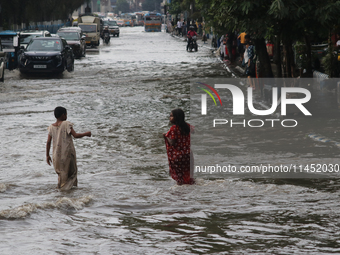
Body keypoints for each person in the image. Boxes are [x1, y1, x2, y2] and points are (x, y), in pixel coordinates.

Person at [46, 107, 91, 190]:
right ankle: (66, 192)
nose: (66, 116)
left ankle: (61, 192)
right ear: (63, 115)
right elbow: (75, 135)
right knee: (72, 173)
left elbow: (48, 142)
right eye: (66, 114)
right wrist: (86, 134)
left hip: (56, 156)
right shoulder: (66, 124)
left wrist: (47, 156)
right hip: (67, 154)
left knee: (61, 174)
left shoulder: (51, 127)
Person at [163, 109, 195, 185]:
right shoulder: (188, 126)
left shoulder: (174, 128)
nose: (170, 118)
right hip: (188, 155)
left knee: (180, 180)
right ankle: (192, 193)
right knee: (189, 176)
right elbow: (194, 131)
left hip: (178, 156)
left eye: (171, 116)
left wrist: (165, 136)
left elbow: (172, 142)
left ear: (176, 117)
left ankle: (180, 194)